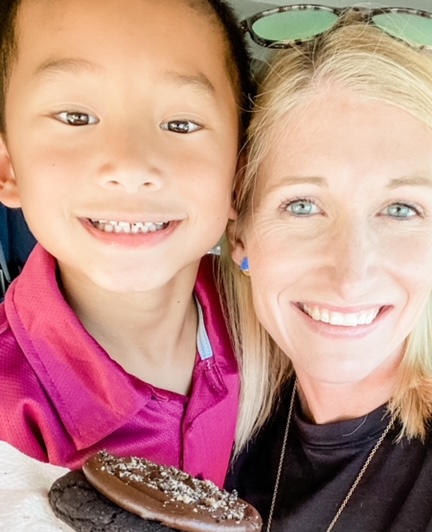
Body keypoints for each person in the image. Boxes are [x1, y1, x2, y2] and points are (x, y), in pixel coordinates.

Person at [224, 7, 432, 532]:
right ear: (240, 229)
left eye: (400, 208)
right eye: (303, 204)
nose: (351, 274)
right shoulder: (199, 428)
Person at [0, 0, 252, 487]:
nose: (131, 166)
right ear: (9, 169)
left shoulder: (266, 324)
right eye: (75, 117)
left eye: (180, 125)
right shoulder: (10, 415)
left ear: (238, 179)